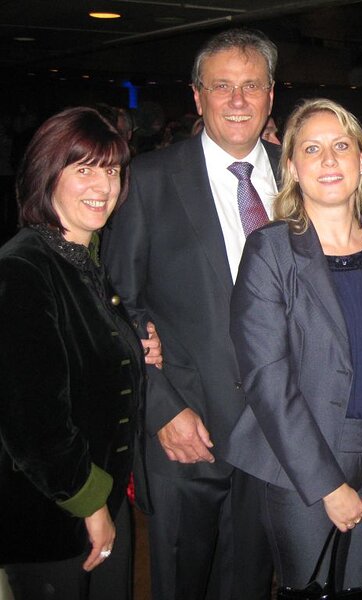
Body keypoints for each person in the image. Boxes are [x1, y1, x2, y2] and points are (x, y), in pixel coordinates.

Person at [101, 28, 281, 600]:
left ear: (271, 96)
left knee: (251, 582)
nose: (237, 100)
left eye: (251, 86)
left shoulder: (304, 173)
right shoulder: (148, 181)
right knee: (180, 583)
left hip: (277, 433)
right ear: (197, 96)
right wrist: (160, 408)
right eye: (221, 86)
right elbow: (117, 304)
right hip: (187, 432)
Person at [223, 98, 362, 589]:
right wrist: (326, 484)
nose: (330, 160)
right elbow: (266, 379)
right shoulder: (269, 250)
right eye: (312, 149)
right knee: (309, 586)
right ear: (291, 166)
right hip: (302, 460)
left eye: (342, 146)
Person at [0, 107, 162, 599]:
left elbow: (81, 353)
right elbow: (32, 421)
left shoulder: (83, 258)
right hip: (53, 514)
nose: (103, 185)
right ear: (48, 174)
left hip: (99, 499)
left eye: (111, 170)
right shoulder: (24, 269)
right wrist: (92, 508)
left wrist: (133, 347)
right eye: (84, 168)